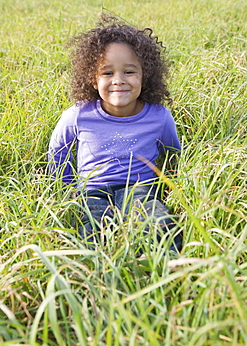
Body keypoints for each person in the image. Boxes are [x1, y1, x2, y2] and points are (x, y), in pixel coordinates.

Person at [48, 14, 182, 253]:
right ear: (92, 78)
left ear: (145, 75)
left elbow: (173, 155)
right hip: (93, 190)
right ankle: (93, 279)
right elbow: (59, 153)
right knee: (92, 231)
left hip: (140, 187)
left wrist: (169, 186)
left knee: (157, 221)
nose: (118, 81)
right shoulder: (78, 115)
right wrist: (66, 190)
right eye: (107, 73)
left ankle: (168, 270)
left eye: (129, 72)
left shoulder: (159, 117)